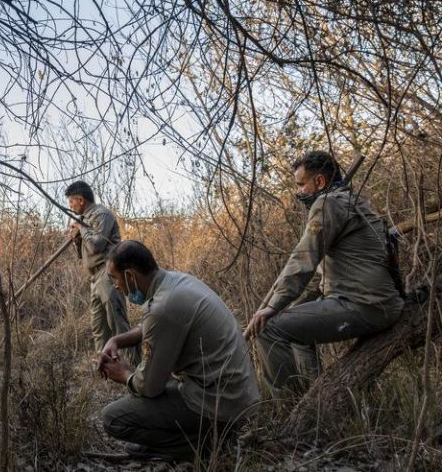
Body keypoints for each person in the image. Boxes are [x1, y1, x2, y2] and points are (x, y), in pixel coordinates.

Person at [247, 150, 404, 394]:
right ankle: (314, 398)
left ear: (319, 182)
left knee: (269, 329)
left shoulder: (328, 203)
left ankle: (290, 410)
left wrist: (273, 306)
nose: (299, 191)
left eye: (301, 184)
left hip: (366, 304)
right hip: (378, 301)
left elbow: (303, 259)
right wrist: (289, 305)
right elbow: (322, 277)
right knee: (296, 326)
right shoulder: (349, 200)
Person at [98, 240, 260, 462]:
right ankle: (205, 436)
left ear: (130, 276)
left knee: (112, 418)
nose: (116, 285)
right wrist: (117, 339)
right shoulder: (176, 283)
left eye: (115, 278)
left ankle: (197, 447)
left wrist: (125, 374)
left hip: (221, 403)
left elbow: (149, 387)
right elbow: (153, 325)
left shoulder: (164, 306)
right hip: (235, 394)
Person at [64, 181, 137, 362]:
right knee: (98, 326)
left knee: (117, 322)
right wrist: (76, 237)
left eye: (71, 202)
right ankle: (104, 365)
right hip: (94, 277)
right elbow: (85, 253)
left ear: (80, 200)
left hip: (108, 272)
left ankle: (136, 366)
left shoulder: (101, 214)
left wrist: (82, 229)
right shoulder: (85, 220)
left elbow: (97, 245)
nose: (70, 206)